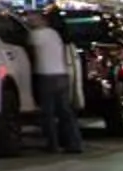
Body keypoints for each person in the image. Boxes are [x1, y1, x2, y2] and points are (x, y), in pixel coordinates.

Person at [28, 11, 83, 156]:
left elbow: (30, 52)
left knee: (48, 114)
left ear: (41, 20)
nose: (30, 22)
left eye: (32, 19)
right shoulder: (54, 34)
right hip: (62, 75)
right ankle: (74, 143)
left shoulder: (35, 35)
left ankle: (53, 145)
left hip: (46, 77)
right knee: (66, 113)